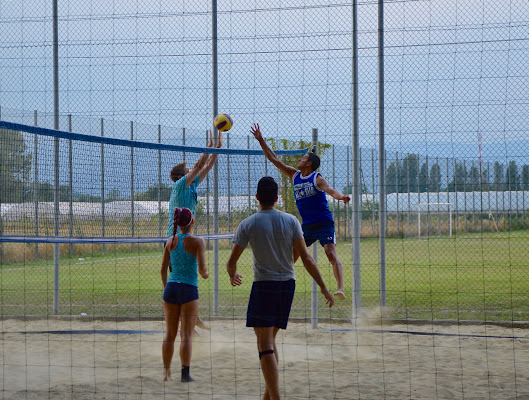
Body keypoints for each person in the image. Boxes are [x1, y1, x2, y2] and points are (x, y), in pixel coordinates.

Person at [227, 176, 334, 400]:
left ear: (256, 197)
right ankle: (268, 395)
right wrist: (323, 287)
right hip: (288, 286)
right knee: (270, 341)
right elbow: (307, 259)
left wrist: (233, 274)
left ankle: (275, 397)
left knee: (264, 344)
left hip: (264, 285)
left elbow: (231, 261)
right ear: (277, 198)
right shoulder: (292, 221)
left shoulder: (248, 223)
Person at [250, 123, 350, 300]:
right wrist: (261, 140)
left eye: (303, 158)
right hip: (308, 226)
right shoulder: (294, 175)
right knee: (292, 254)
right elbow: (274, 159)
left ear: (309, 163)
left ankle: (340, 288)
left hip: (324, 223)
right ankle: (280, 280)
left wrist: (341, 197)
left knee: (330, 253)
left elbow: (331, 190)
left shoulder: (316, 179)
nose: (299, 159)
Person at [166, 129, 223, 330]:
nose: (193, 170)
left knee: (190, 275)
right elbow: (199, 165)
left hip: (185, 235)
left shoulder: (192, 186)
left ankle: (192, 319)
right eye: (189, 169)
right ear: (183, 175)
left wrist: (217, 148)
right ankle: (187, 322)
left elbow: (207, 166)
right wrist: (208, 145)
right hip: (174, 237)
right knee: (182, 278)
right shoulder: (181, 184)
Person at [161, 207, 209, 382]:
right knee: (186, 334)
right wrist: (206, 273)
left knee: (170, 334)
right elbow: (203, 271)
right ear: (192, 222)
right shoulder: (197, 241)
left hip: (171, 288)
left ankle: (166, 372)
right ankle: (185, 375)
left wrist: (168, 289)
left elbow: (162, 271)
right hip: (188, 290)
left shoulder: (170, 241)